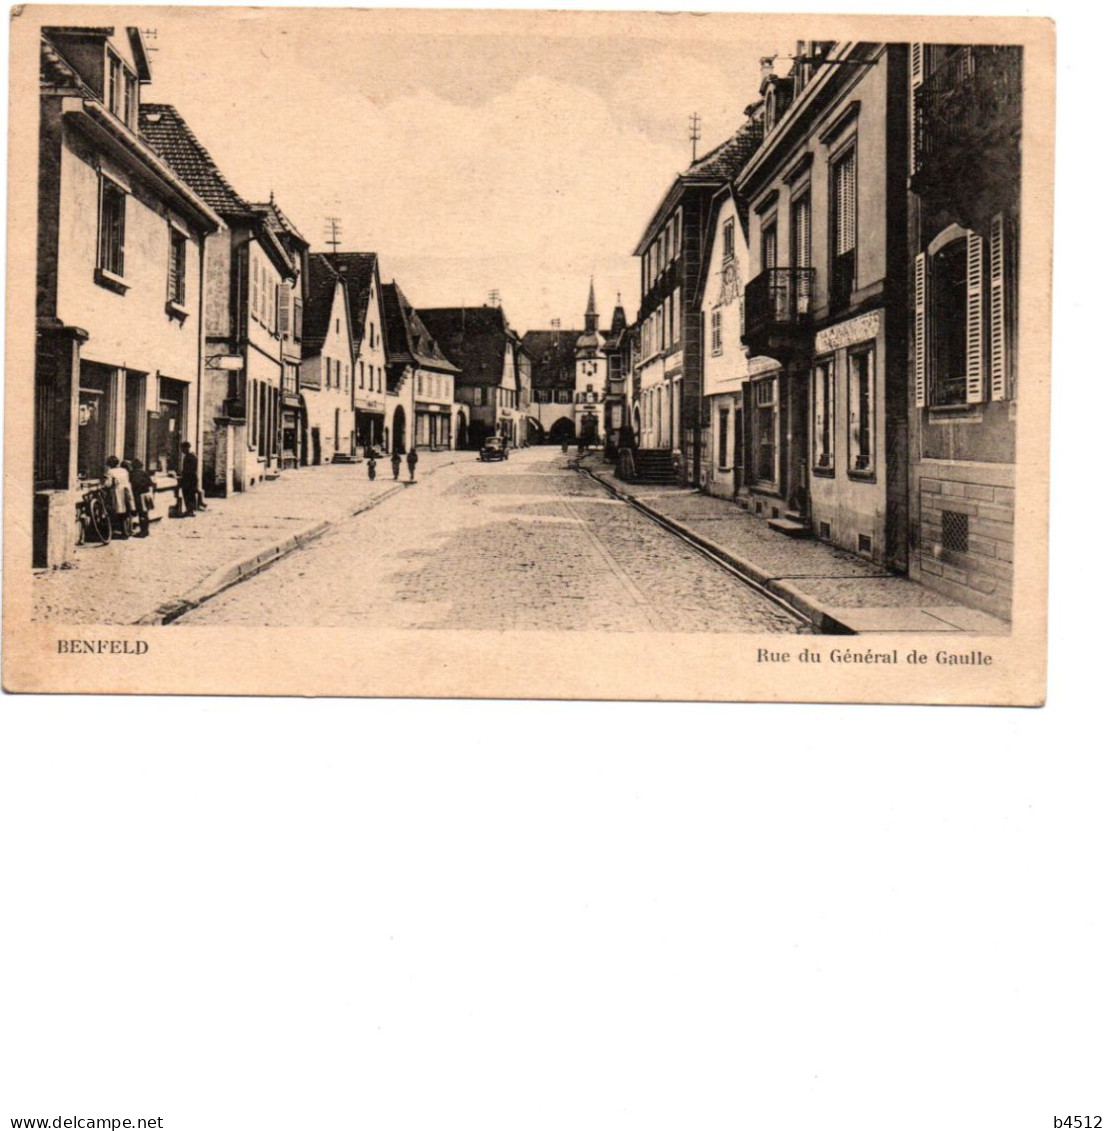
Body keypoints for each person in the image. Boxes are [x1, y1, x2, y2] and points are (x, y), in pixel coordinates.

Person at [103, 456, 135, 538]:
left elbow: (108, 484)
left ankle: (115, 532)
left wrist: (104, 485)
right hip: (126, 492)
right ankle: (126, 531)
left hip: (117, 492)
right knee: (125, 512)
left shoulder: (110, 472)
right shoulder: (124, 470)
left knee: (116, 512)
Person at [128, 456, 155, 537]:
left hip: (139, 496)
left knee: (141, 514)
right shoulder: (145, 473)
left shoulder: (132, 474)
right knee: (145, 514)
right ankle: (145, 530)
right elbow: (151, 484)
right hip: (146, 494)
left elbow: (132, 485)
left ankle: (143, 532)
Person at [178, 442, 199, 517]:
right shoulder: (193, 456)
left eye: (183, 449)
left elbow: (189, 469)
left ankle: (190, 511)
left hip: (189, 479)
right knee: (190, 495)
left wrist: (182, 475)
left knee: (188, 494)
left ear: (187, 448)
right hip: (191, 478)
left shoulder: (189, 457)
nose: (182, 451)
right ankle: (190, 510)